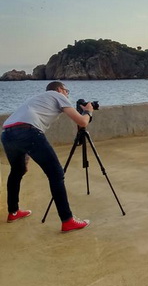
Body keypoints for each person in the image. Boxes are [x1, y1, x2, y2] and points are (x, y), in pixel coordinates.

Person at [1, 81, 94, 232]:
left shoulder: (38, 99)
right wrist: (88, 111)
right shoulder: (57, 95)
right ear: (59, 89)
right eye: (66, 91)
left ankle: (13, 212)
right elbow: (82, 122)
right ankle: (67, 220)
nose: (67, 95)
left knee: (17, 171)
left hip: (7, 133)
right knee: (56, 174)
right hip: (28, 131)